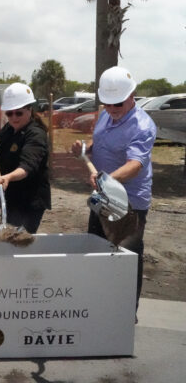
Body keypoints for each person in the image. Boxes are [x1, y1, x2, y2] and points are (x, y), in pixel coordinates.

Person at [71, 66, 156, 313]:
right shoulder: (106, 115)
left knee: (126, 258)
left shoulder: (142, 126)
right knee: (96, 249)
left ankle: (126, 314)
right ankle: (99, 306)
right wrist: (84, 149)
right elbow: (100, 141)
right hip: (103, 196)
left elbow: (135, 165)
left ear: (132, 95)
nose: (111, 109)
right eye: (107, 103)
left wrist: (107, 178)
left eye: (117, 104)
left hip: (129, 203)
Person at [0, 83, 51, 233]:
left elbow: (27, 166)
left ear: (29, 110)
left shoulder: (36, 134)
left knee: (21, 241)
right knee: (9, 238)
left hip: (29, 200)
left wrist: (8, 177)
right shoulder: (8, 129)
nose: (13, 117)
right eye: (9, 113)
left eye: (18, 113)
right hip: (11, 197)